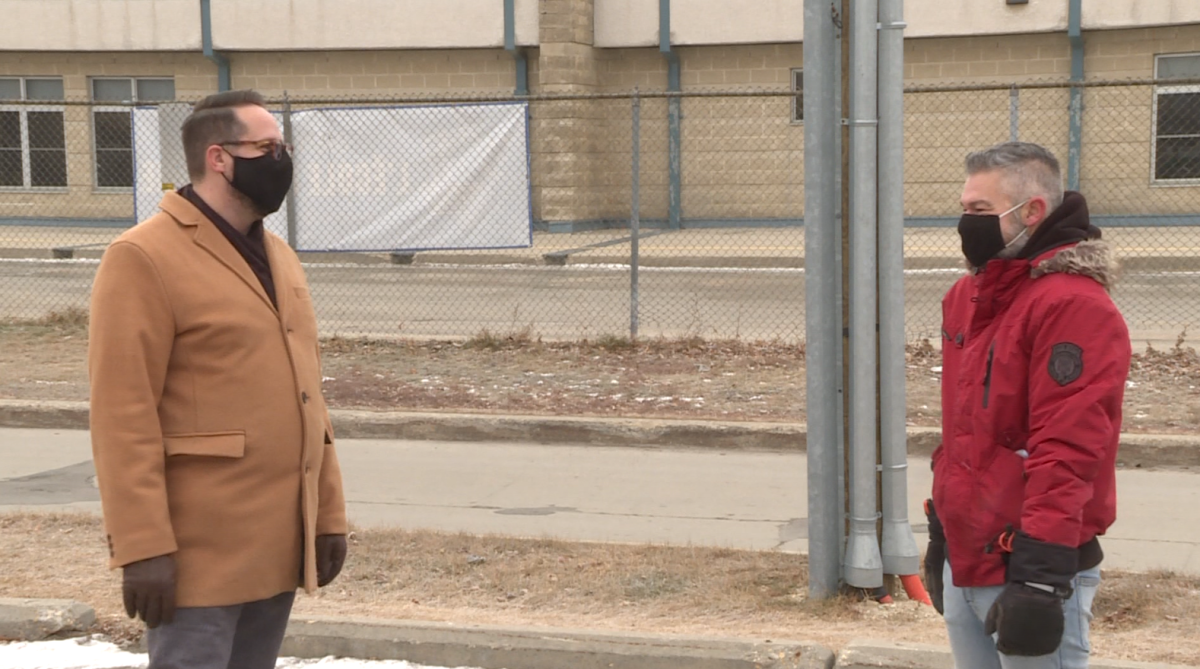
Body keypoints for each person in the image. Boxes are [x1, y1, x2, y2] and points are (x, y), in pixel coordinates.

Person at [88, 89, 348, 669]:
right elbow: (121, 415)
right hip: (198, 553)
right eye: (266, 146)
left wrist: (327, 516)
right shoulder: (142, 256)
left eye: (282, 146)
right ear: (219, 158)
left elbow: (310, 396)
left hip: (277, 542)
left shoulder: (278, 254)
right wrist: (142, 546)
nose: (281, 158)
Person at [923, 141, 1131, 668]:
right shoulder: (966, 299)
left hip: (1029, 570)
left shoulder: (1073, 306)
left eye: (980, 211)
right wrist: (942, 536)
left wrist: (1040, 578)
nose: (965, 223)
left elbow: (1069, 449)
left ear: (1032, 211)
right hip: (967, 559)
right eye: (964, 209)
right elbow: (965, 434)